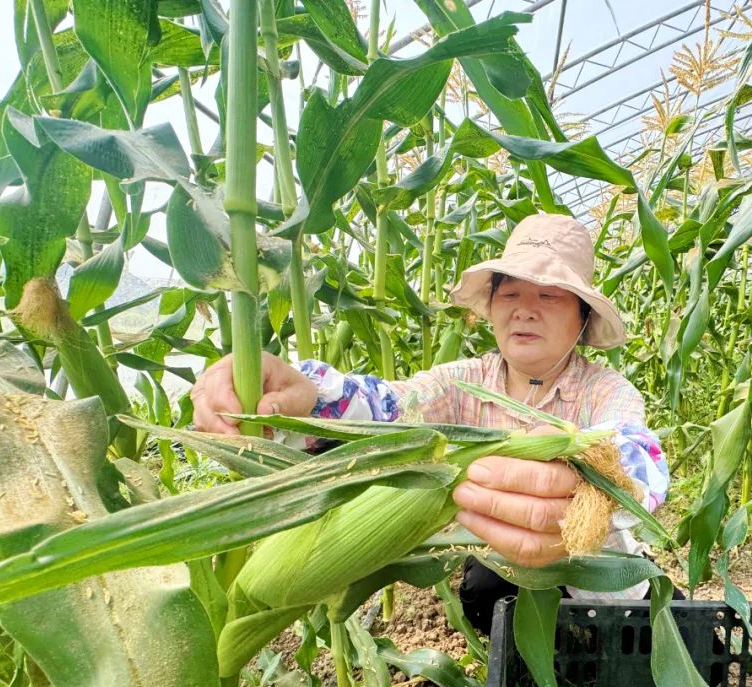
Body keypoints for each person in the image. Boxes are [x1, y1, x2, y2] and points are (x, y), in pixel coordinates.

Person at [190, 214, 669, 632]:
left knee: (647, 616)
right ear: (492, 308)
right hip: (504, 563)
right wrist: (307, 395)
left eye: (548, 295)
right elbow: (389, 409)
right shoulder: (462, 383)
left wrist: (586, 481)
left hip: (596, 573)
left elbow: (637, 452)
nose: (525, 309)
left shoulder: (604, 390)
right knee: (483, 589)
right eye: (510, 293)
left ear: (583, 318)